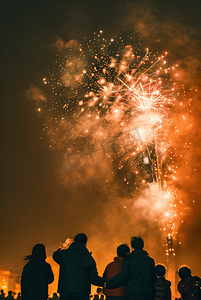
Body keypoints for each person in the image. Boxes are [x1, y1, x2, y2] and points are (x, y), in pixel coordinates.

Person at [53, 233, 104, 300]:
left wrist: (63, 248)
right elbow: (93, 278)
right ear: (85, 243)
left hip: (66, 290)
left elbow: (55, 255)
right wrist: (105, 281)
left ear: (74, 241)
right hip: (82, 292)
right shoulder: (89, 258)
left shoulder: (64, 254)